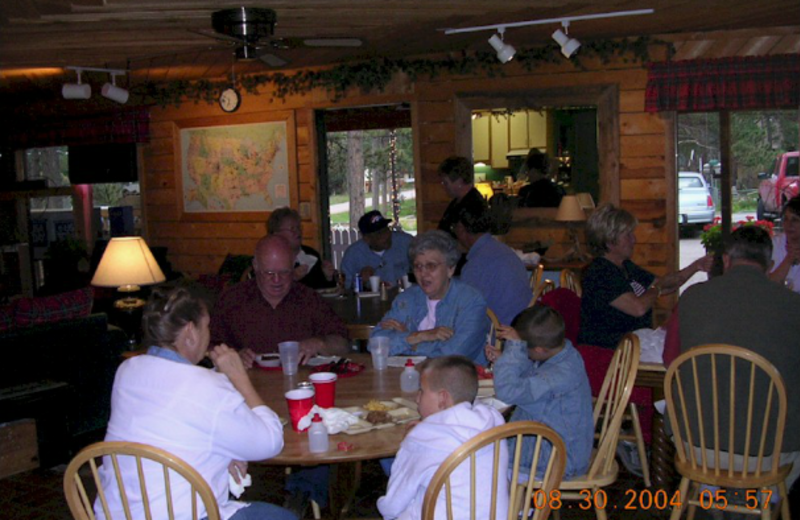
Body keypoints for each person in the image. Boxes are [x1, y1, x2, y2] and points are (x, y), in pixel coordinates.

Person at [96, 287, 296, 520]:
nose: (209, 335)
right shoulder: (206, 384)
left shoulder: (127, 370)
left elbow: (162, 430)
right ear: (191, 332)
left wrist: (222, 452)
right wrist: (238, 377)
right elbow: (270, 443)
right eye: (206, 326)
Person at [662, 226, 800, 490]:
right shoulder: (793, 306)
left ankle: (715, 498)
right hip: (770, 454)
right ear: (769, 265)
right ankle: (763, 500)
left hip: (697, 446)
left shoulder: (692, 298)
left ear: (726, 260)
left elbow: (671, 361)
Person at [377, 356, 508, 520]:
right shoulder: (492, 421)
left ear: (442, 398)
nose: (417, 398)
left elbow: (391, 507)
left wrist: (411, 440)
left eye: (422, 391)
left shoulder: (421, 440)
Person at [578, 203, 713, 349]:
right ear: (610, 241)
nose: (634, 240)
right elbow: (638, 308)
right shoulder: (600, 273)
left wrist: (696, 266)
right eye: (628, 235)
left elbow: (664, 286)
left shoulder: (625, 266)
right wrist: (658, 288)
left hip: (635, 343)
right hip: (612, 351)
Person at [210, 235, 349, 366]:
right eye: (269, 273)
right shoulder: (232, 299)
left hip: (299, 385)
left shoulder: (309, 299)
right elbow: (207, 348)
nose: (277, 280)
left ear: (293, 265)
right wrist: (232, 356)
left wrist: (320, 344)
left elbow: (343, 344)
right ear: (256, 266)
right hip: (246, 385)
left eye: (284, 272)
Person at [489, 306, 593, 480]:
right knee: (486, 451)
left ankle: (511, 506)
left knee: (480, 461)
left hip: (557, 460)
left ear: (539, 350)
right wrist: (510, 357)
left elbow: (507, 392)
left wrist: (514, 352)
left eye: (524, 348)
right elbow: (533, 374)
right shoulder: (564, 355)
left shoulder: (559, 375)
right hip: (551, 446)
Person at [371, 230, 490, 364]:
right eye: (418, 266)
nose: (423, 274)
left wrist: (411, 344)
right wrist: (419, 336)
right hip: (410, 377)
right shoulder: (406, 299)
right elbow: (376, 344)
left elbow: (454, 355)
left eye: (431, 266)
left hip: (459, 380)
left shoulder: (471, 301)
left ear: (450, 269)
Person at [454, 206, 532, 325]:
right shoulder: (501, 250)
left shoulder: (477, 263)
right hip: (523, 325)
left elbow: (465, 309)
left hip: (500, 333)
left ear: (461, 229)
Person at [340, 210, 413, 289]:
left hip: (407, 298)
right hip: (369, 300)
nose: (386, 236)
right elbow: (345, 288)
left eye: (386, 230)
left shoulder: (407, 243)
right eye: (379, 234)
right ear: (367, 239)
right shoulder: (353, 254)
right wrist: (360, 280)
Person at [267, 207, 336, 289]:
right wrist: (292, 279)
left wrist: (328, 277)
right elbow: (265, 294)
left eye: (299, 228)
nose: (297, 232)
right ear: (276, 234)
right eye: (292, 229)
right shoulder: (269, 258)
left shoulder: (312, 255)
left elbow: (324, 292)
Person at [437, 156, 487, 238]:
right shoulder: (457, 202)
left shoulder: (474, 206)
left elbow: (470, 242)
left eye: (446, 183)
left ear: (459, 181)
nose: (443, 186)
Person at [768, 196, 800, 292]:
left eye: (795, 220)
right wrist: (789, 259)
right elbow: (767, 286)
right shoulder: (773, 245)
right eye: (786, 219)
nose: (789, 224)